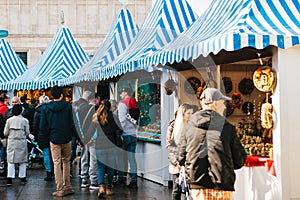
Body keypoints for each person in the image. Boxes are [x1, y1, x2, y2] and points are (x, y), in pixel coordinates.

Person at [177, 88, 247, 200]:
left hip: (197, 185)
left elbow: (180, 157)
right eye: (223, 103)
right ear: (215, 103)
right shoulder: (228, 128)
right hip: (222, 184)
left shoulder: (189, 127)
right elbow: (239, 161)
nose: (224, 106)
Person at [39, 86, 78, 197]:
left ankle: (60, 188)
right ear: (62, 95)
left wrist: (48, 134)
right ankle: (68, 186)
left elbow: (42, 126)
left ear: (52, 96)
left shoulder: (46, 108)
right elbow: (73, 123)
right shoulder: (68, 107)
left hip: (54, 137)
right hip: (67, 137)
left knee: (56, 162)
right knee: (66, 161)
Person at [83, 100, 122, 198]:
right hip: (112, 146)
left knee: (100, 168)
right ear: (109, 108)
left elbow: (90, 131)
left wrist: (83, 141)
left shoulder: (97, 117)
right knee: (110, 168)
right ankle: (109, 188)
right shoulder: (114, 117)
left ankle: (100, 186)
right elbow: (120, 130)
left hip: (100, 146)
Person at [166, 103, 195, 200]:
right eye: (188, 113)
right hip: (176, 163)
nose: (191, 115)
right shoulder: (173, 127)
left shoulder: (193, 126)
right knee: (177, 188)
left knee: (190, 189)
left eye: (192, 113)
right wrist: (178, 160)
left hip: (189, 162)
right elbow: (169, 146)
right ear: (182, 114)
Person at [116, 87, 140, 189]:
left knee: (121, 158)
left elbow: (122, 121)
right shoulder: (135, 103)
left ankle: (120, 179)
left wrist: (120, 132)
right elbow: (138, 120)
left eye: (121, 93)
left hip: (125, 135)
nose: (120, 95)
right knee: (132, 159)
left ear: (125, 93)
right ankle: (134, 181)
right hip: (133, 134)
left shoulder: (122, 104)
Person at [74, 90, 98, 190]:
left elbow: (77, 124)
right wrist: (93, 137)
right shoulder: (96, 110)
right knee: (93, 160)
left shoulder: (79, 109)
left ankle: (84, 179)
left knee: (84, 157)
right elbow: (96, 126)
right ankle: (93, 181)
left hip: (83, 138)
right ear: (94, 99)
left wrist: (82, 138)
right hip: (93, 138)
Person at [4, 104, 33, 186]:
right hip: (21, 142)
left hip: (12, 142)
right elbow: (27, 133)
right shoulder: (25, 121)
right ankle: (22, 178)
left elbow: (5, 133)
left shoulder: (9, 120)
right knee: (22, 161)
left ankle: (9, 178)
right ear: (21, 111)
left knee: (11, 161)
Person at [33, 95, 53, 181]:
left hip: (42, 135)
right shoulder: (51, 110)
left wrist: (35, 135)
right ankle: (55, 170)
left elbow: (35, 125)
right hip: (52, 134)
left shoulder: (37, 111)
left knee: (46, 154)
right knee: (54, 154)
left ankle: (48, 172)